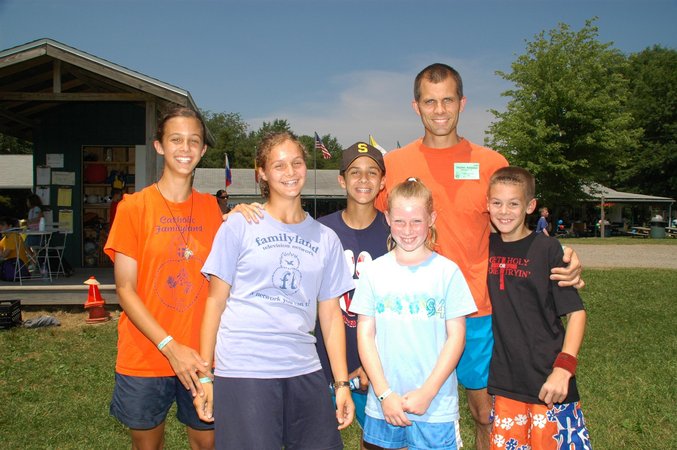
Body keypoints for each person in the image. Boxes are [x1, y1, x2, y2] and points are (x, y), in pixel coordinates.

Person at [374, 63, 583, 449]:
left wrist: (560, 254)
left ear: (463, 103)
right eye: (430, 102)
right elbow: (371, 217)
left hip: (476, 309)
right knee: (404, 411)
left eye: (448, 100)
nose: (440, 110)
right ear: (416, 106)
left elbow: (512, 228)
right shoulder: (395, 163)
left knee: (485, 413)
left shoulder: (490, 163)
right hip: (412, 312)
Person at [194, 131, 355, 449]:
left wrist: (341, 383)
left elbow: (330, 316)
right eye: (279, 165)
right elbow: (215, 302)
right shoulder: (239, 225)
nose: (290, 172)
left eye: (297, 163)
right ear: (262, 173)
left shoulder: (325, 238)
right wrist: (204, 375)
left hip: (304, 366)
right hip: (245, 369)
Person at [104, 107, 222, 450]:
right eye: (176, 140)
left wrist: (246, 212)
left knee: (207, 443)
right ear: (159, 146)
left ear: (202, 150)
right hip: (145, 355)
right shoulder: (133, 207)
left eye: (194, 141)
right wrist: (170, 347)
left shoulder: (212, 209)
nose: (185, 148)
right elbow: (125, 289)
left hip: (202, 357)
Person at [353, 178, 477, 450]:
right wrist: (384, 394)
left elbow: (456, 338)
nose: (407, 230)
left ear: (431, 219)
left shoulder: (447, 272)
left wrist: (427, 392)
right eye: (399, 221)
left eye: (416, 221)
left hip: (435, 406)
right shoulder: (373, 272)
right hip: (384, 404)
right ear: (388, 218)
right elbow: (365, 336)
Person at [486, 166, 591, 449]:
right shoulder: (486, 247)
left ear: (530, 206)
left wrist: (564, 369)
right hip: (506, 380)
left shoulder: (548, 249)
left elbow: (576, 313)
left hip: (550, 380)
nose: (504, 211)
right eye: (497, 203)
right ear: (487, 205)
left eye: (513, 204)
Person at [314, 141, 390, 449]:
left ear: (383, 181)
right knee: (318, 441)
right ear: (341, 180)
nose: (363, 179)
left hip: (378, 360)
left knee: (378, 442)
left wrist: (376, 364)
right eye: (355, 172)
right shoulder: (320, 231)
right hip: (326, 359)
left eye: (372, 172)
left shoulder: (395, 231)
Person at [0, 217, 30, 281]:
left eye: (2, 225)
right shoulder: (5, 238)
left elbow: (4, 255)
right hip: (12, 264)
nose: (0, 227)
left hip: (18, 265)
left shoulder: (13, 236)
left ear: (10, 226)